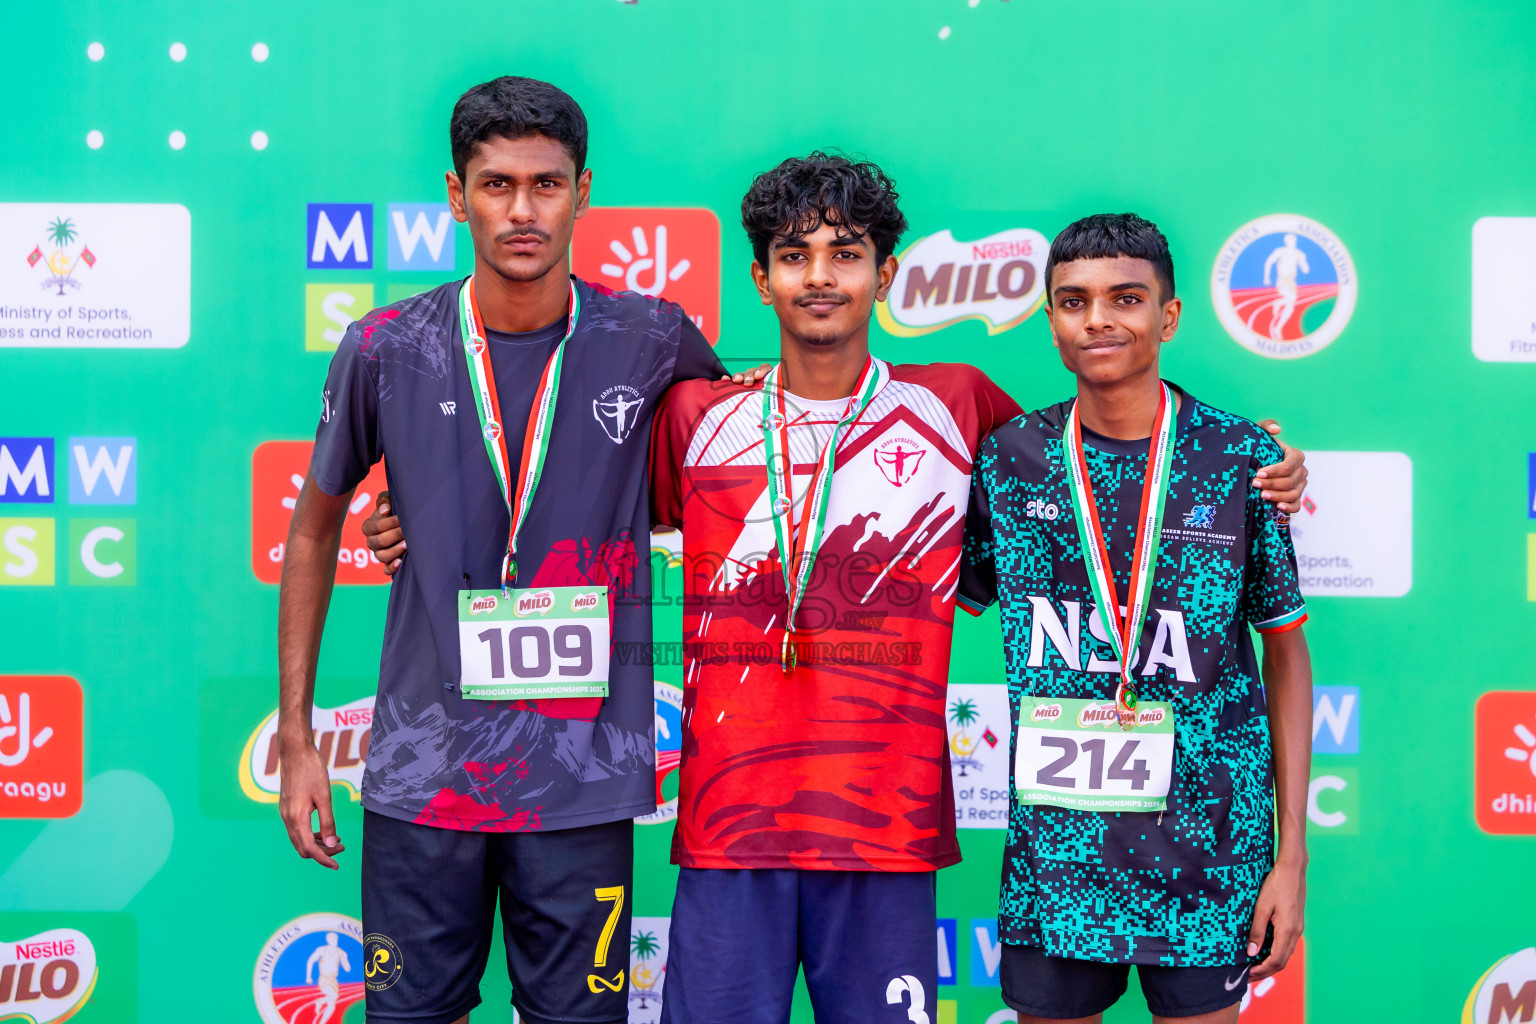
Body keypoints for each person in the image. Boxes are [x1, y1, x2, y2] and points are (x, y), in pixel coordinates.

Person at [363, 162, 1308, 1023]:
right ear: (763, 276)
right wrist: (416, 526)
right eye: (795, 255)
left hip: (886, 831)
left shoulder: (962, 404)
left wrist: (1258, 458)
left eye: (847, 254)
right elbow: (571, 501)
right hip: (731, 829)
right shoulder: (698, 412)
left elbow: (1103, 466)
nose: (822, 275)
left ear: (885, 275)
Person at [276, 76, 758, 1024]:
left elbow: (720, 482)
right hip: (426, 776)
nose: (523, 210)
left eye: (546, 183)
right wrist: (297, 737)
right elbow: (309, 529)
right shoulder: (386, 345)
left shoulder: (653, 337)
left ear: (584, 191)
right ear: (456, 196)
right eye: (497, 185)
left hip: (582, 780)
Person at [960, 213, 1313, 1024]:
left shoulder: (1241, 460)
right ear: (1050, 318)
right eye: (1073, 301)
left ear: (1170, 315)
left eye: (1125, 298)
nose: (1098, 320)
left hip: (1210, 851)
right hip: (1060, 860)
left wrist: (1290, 856)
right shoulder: (1007, 459)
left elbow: (1286, 652)